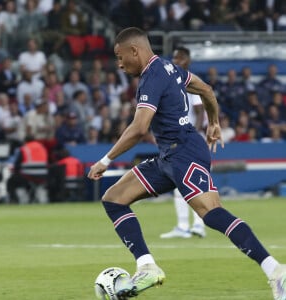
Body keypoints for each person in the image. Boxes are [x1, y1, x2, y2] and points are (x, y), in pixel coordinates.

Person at [87, 27, 286, 300]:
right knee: (114, 199)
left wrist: (105, 160)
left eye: (121, 57)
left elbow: (139, 127)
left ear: (135, 51)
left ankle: (277, 272)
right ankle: (147, 267)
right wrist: (213, 121)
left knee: (212, 213)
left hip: (185, 152)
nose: (119, 65)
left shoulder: (152, 76)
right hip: (169, 155)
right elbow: (206, 89)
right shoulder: (170, 68)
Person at [160, 46, 206, 239]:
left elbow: (200, 110)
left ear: (187, 60)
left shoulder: (187, 79)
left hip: (187, 138)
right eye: (174, 57)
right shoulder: (175, 79)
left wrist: (191, 134)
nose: (175, 60)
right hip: (180, 137)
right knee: (182, 183)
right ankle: (186, 226)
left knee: (190, 182)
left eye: (179, 57)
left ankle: (196, 225)